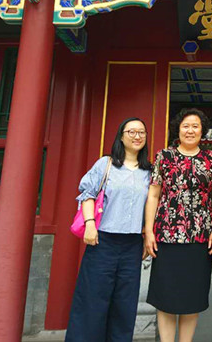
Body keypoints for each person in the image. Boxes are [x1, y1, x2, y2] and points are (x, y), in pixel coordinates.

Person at [66, 117, 152, 342]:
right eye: (131, 132)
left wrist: (146, 236)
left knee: (124, 304)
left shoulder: (149, 172)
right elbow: (87, 194)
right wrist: (90, 224)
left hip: (132, 244)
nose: (137, 136)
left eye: (141, 132)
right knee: (93, 299)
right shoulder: (106, 164)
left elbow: (150, 208)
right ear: (121, 136)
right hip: (103, 241)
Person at [144, 108, 212, 342]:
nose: (190, 130)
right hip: (166, 235)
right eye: (185, 126)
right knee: (165, 297)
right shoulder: (164, 156)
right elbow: (153, 195)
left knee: (192, 298)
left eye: (195, 126)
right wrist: (148, 231)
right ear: (178, 129)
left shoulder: (211, 158)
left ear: (202, 130)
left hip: (200, 236)